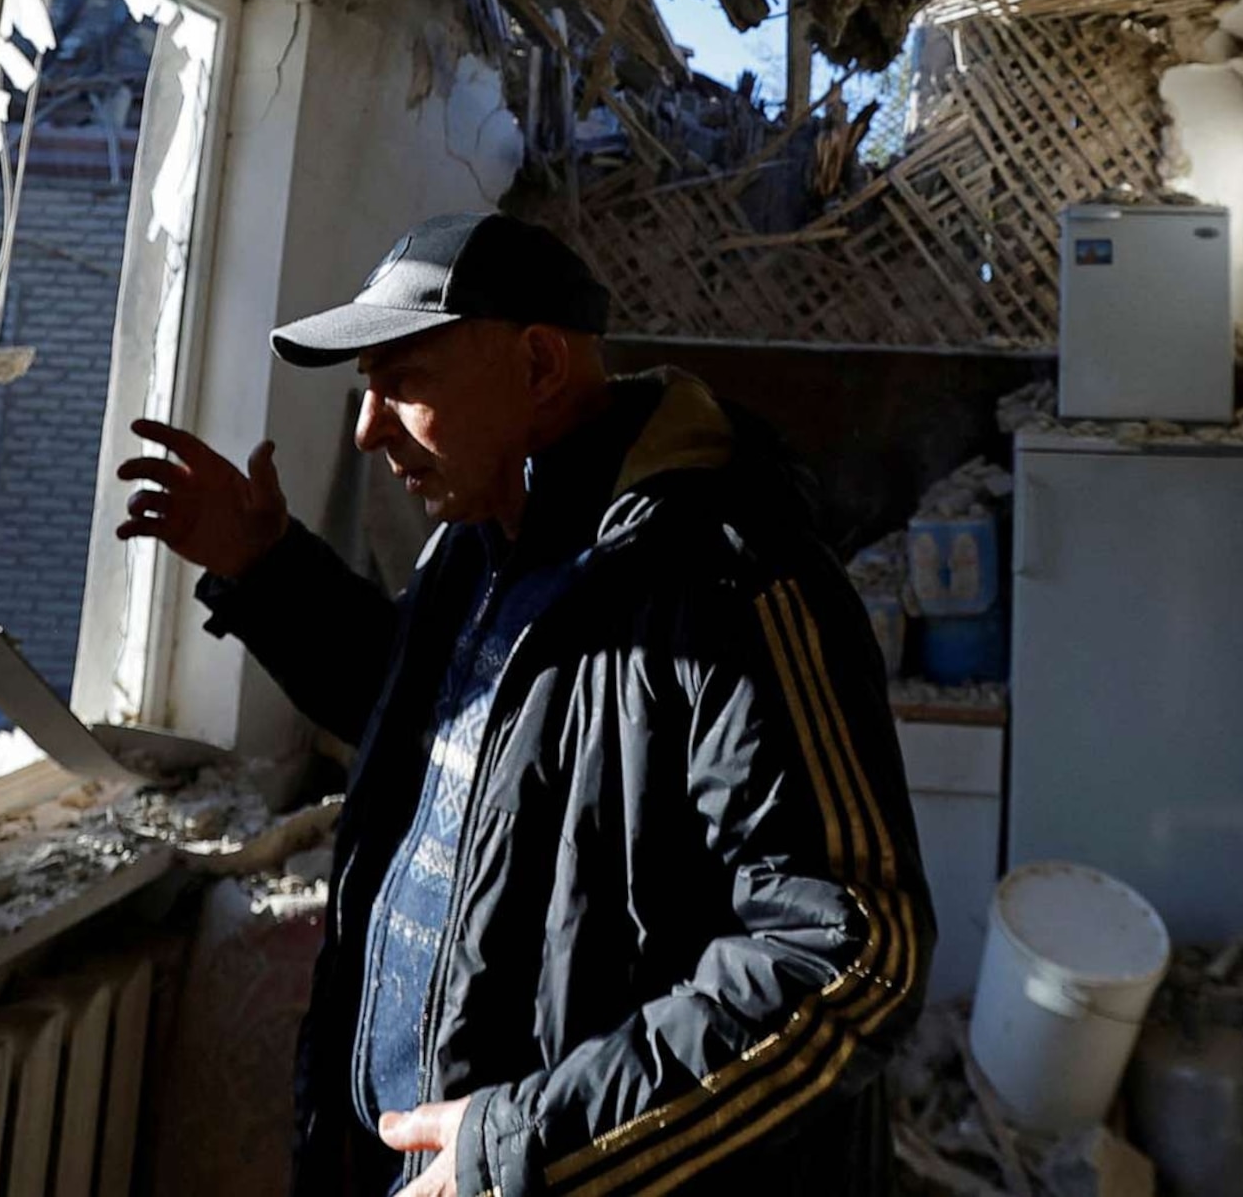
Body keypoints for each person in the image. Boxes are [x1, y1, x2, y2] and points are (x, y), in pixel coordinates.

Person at [116, 212, 928, 1196]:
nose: (367, 428)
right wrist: (267, 570)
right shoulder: (478, 544)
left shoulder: (729, 582)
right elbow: (453, 740)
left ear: (539, 365)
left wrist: (531, 1144)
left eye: (401, 382)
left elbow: (847, 952)